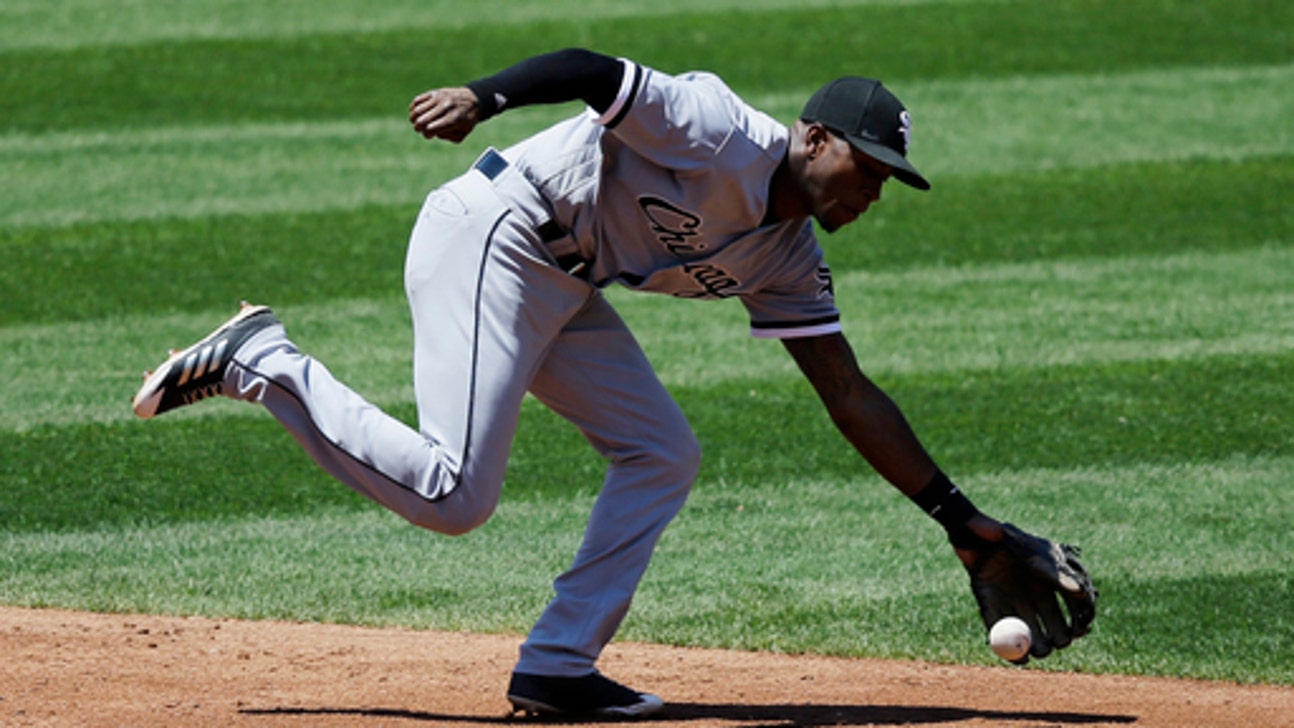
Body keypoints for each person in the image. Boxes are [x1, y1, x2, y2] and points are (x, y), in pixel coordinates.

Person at [132, 48, 1096, 720]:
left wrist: (959, 520)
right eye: (867, 166)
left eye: (888, 181)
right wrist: (485, 95)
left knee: (663, 453)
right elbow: (597, 70)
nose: (872, 192)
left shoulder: (791, 258)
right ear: (813, 138)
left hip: (565, 281)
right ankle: (265, 361)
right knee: (454, 495)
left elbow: (847, 392)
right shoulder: (723, 132)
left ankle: (557, 667)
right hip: (495, 232)